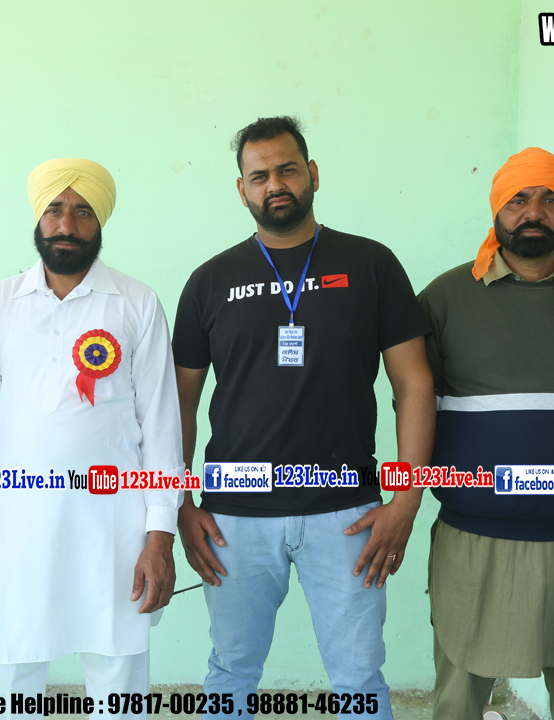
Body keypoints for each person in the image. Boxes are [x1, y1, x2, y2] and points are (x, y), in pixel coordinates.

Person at [172, 116, 435, 719]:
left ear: (312, 174)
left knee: (359, 678)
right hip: (234, 515)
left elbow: (415, 385)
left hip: (346, 512)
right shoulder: (210, 281)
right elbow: (179, 403)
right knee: (230, 672)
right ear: (241, 189)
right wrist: (180, 504)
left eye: (287, 169)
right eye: (259, 176)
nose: (275, 185)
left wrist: (407, 500)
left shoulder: (371, 264)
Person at [0, 158, 183, 718]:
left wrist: (160, 537)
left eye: (82, 212)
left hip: (115, 528)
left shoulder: (137, 302)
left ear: (100, 222)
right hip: (15, 529)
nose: (67, 225)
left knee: (119, 679)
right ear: (37, 218)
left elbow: (162, 428)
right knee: (13, 674)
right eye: (54, 209)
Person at [418, 147, 554, 720]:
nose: (534, 212)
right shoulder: (444, 297)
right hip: (475, 535)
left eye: (550, 199)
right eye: (518, 199)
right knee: (459, 697)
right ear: (497, 207)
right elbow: (417, 409)